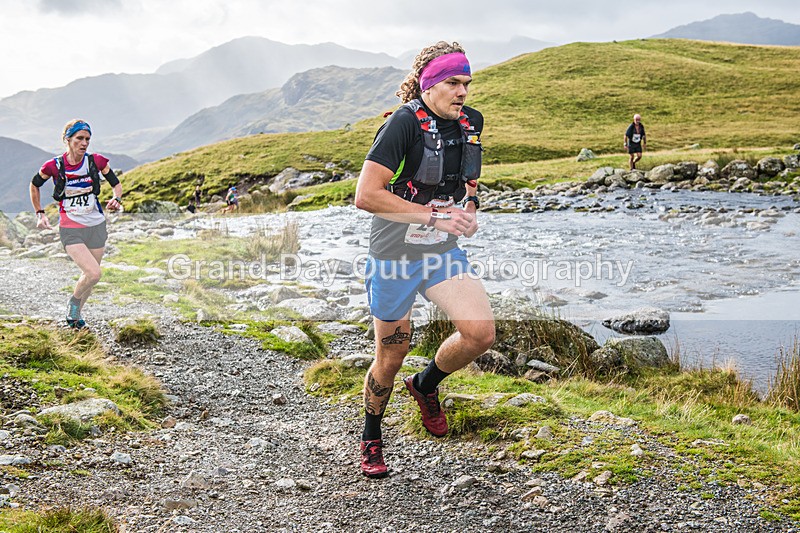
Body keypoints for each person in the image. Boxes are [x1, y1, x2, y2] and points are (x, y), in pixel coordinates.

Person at [354, 41, 496, 478]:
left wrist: (469, 210)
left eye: (467, 84)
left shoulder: (471, 122)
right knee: (391, 356)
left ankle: (426, 385)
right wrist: (433, 215)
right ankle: (371, 435)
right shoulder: (402, 124)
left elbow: (468, 178)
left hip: (439, 252)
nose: (463, 92)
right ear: (428, 84)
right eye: (453, 83)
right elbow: (365, 195)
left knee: (480, 334)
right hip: (394, 255)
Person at [29, 119, 123, 329]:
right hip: (71, 228)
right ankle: (74, 304)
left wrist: (117, 199)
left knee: (90, 276)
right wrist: (39, 212)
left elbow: (116, 184)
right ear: (68, 139)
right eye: (79, 138)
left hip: (96, 225)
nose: (84, 143)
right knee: (94, 273)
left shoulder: (96, 161)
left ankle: (76, 317)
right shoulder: (54, 165)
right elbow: (34, 185)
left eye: (87, 139)